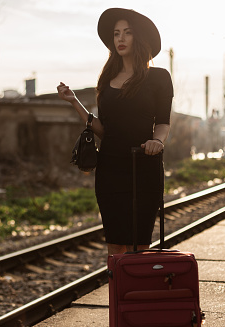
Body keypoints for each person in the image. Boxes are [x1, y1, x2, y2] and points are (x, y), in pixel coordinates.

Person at [57, 8, 173, 256]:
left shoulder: (159, 77)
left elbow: (163, 121)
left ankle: (137, 292)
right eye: (116, 33)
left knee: (140, 243)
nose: (120, 38)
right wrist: (75, 102)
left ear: (139, 37)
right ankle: (118, 294)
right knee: (115, 243)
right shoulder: (107, 80)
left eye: (127, 33)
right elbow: (105, 130)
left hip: (145, 165)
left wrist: (157, 141)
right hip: (110, 170)